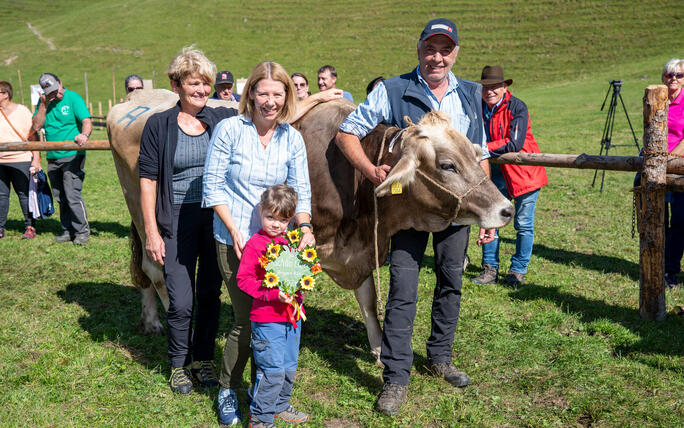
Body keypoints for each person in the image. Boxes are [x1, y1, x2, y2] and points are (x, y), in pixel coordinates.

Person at [336, 17, 494, 416]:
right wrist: (371, 171)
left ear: (455, 53)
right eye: (430, 48)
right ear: (419, 48)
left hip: (457, 211)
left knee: (450, 279)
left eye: (445, 49)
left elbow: (480, 159)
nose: (436, 57)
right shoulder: (393, 90)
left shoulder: (472, 95)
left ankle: (440, 356)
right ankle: (395, 378)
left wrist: (486, 213)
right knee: (403, 287)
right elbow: (346, 133)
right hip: (408, 210)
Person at [203, 60, 315, 426]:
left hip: (279, 246)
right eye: (263, 92)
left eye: (277, 94)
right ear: (250, 92)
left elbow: (301, 190)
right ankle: (227, 390)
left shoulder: (291, 137)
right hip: (235, 241)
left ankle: (267, 394)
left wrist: (306, 226)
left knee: (280, 319)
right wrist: (235, 229)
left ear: (287, 97)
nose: (270, 101)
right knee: (246, 321)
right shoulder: (230, 130)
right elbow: (213, 185)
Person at [138, 47, 238, 395]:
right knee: (181, 300)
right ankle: (179, 365)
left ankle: (204, 359)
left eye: (206, 84)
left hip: (214, 219)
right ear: (176, 84)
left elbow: (264, 104)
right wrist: (151, 231)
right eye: (194, 83)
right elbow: (148, 181)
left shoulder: (221, 119)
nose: (201, 90)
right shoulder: (158, 125)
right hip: (175, 218)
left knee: (211, 292)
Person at [236, 185, 310, 427]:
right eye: (271, 218)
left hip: (292, 319)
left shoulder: (291, 242)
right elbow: (244, 279)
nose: (276, 225)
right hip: (267, 320)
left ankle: (279, 406)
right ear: (260, 212)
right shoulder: (255, 245)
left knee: (288, 367)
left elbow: (297, 274)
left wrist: (301, 286)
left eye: (283, 220)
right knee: (272, 371)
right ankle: (260, 417)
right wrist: (271, 294)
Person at [471, 65, 547, 286]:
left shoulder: (517, 107)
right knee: (491, 218)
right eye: (485, 88)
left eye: (495, 87)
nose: (490, 92)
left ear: (504, 87)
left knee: (523, 224)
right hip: (495, 174)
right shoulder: (478, 108)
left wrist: (482, 148)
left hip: (525, 174)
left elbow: (515, 143)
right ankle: (489, 269)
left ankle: (517, 271)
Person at [31, 73, 92, 245]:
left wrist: (84, 135)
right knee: (60, 195)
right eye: (50, 92)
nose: (55, 95)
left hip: (73, 155)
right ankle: (67, 230)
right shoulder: (44, 103)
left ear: (61, 83)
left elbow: (86, 121)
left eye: (56, 90)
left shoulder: (73, 98)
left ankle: (82, 231)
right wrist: (43, 105)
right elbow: (36, 126)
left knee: (72, 194)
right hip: (53, 156)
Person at [0, 81, 41, 239]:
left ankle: (30, 226)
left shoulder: (22, 111)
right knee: (1, 195)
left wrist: (36, 159)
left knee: (24, 194)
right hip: (0, 162)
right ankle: (0, 228)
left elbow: (33, 137)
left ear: (5, 94)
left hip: (21, 159)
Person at [662, 58, 684, 288]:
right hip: (656, 162)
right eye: (670, 75)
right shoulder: (658, 98)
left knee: (680, 219)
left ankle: (670, 270)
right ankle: (655, 263)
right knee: (656, 218)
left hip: (679, 166)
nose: (674, 79)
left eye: (679, 75)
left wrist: (671, 159)